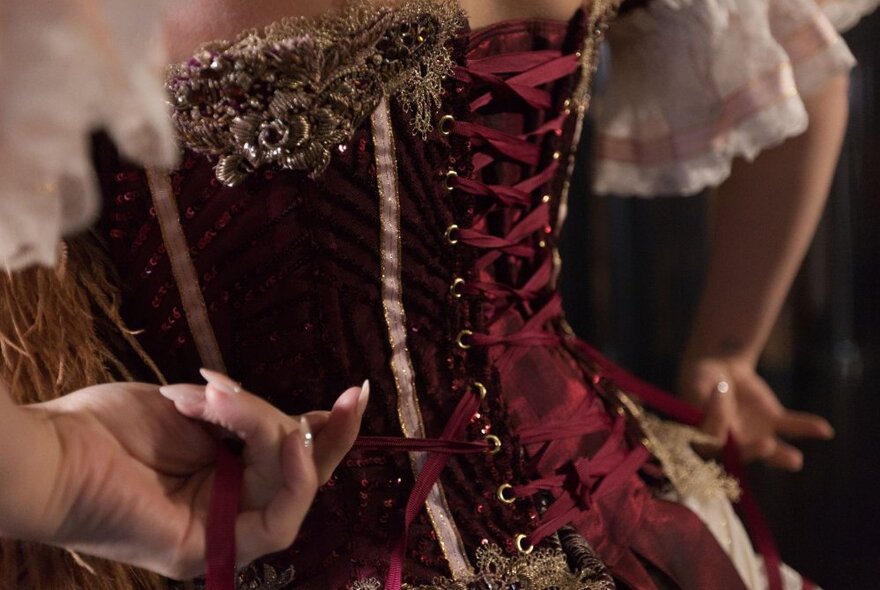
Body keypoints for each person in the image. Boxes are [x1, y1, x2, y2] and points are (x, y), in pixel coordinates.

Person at [0, 0, 876, 588]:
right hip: (636, 527)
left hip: (242, 535)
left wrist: (58, 478)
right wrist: (725, 349)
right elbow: (808, 75)